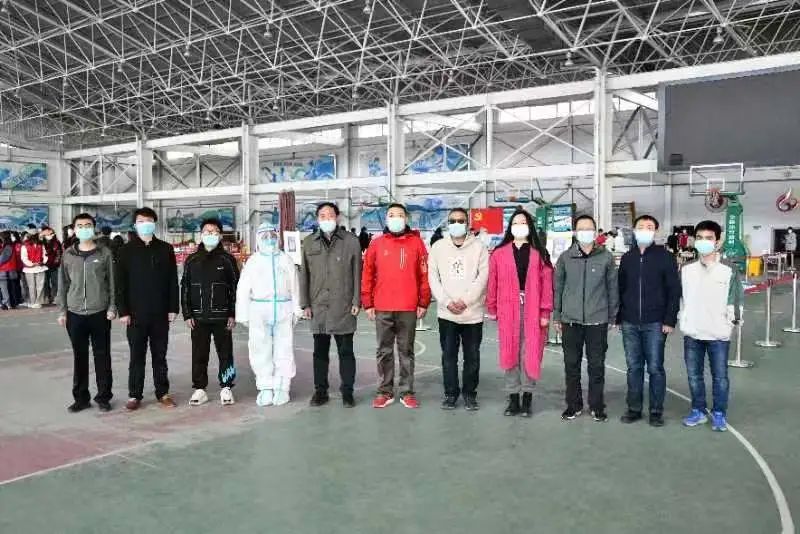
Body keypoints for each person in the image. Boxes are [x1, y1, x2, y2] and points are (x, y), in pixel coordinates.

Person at [361, 203, 431, 409]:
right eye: (391, 215)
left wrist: (423, 301)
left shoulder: (417, 243)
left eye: (400, 215)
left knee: (406, 351)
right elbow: (367, 273)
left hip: (408, 306)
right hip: (382, 306)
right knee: (384, 351)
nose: (396, 218)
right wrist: (368, 302)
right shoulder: (376, 243)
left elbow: (424, 274)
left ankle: (407, 391)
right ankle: (385, 391)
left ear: (406, 219)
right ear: (386, 219)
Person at [487, 209, 553, 418]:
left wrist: (545, 311)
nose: (519, 226)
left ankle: (527, 397)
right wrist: (492, 307)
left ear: (529, 226)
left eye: (523, 222)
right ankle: (513, 397)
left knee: (530, 352)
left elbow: (547, 285)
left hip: (533, 309)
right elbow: (492, 283)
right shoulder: (499, 253)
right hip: (508, 309)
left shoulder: (539, 253)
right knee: (510, 352)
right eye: (515, 223)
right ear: (510, 227)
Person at [553, 215, 618, 422]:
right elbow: (558, 289)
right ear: (575, 232)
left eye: (589, 228)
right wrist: (557, 316)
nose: (585, 232)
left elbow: (612, 288)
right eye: (581, 228)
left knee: (596, 366)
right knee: (571, 365)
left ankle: (597, 406)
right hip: (570, 321)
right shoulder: (565, 258)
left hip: (597, 320)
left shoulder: (606, 257)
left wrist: (612, 316)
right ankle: (573, 405)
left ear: (596, 232)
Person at [617, 215, 681, 427]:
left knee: (655, 367)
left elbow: (674, 290)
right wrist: (619, 317)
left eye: (649, 227)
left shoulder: (665, 257)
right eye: (641, 226)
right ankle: (634, 409)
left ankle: (655, 411)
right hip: (629, 322)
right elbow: (620, 288)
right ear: (634, 230)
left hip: (656, 322)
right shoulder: (627, 258)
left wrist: (669, 319)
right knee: (633, 367)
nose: (645, 230)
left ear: (656, 231)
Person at [679, 220, 743, 433]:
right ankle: (697, 410)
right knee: (694, 376)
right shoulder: (686, 269)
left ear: (717, 241)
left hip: (718, 334)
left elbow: (736, 299)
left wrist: (731, 323)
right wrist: (683, 320)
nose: (703, 242)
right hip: (693, 332)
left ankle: (719, 413)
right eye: (699, 238)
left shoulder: (729, 269)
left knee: (720, 377)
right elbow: (682, 299)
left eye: (708, 238)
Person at [116, 207, 179, 410]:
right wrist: (123, 311)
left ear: (155, 223)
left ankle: (163, 393)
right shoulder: (125, 251)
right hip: (135, 314)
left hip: (160, 312)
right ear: (135, 225)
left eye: (149, 220)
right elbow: (120, 284)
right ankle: (135, 395)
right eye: (141, 221)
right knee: (137, 356)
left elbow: (172, 280)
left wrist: (173, 308)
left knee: (160, 355)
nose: (145, 224)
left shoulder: (165, 249)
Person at [300, 202, 362, 408]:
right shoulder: (309, 243)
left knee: (346, 352)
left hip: (343, 306)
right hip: (318, 307)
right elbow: (304, 275)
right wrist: (305, 304)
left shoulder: (351, 241)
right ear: (317, 219)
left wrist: (356, 300)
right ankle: (320, 391)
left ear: (338, 217)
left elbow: (357, 273)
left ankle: (348, 392)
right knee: (320, 353)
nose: (327, 219)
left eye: (330, 215)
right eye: (322, 216)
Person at [428, 207, 488, 411]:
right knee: (448, 356)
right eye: (452, 221)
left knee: (472, 357)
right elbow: (433, 277)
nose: (456, 224)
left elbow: (483, 277)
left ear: (468, 224)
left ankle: (470, 394)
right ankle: (451, 394)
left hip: (472, 314)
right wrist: (446, 301)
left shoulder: (479, 248)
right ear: (448, 224)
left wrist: (466, 301)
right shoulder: (438, 248)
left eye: (461, 220)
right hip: (447, 314)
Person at [236, 222, 302, 407]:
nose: (269, 240)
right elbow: (243, 289)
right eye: (265, 237)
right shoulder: (253, 261)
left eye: (272, 236)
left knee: (284, 348)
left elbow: (295, 286)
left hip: (283, 308)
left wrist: (297, 309)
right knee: (259, 348)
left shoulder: (286, 260)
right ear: (258, 239)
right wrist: (243, 314)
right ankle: (265, 387)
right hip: (259, 310)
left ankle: (282, 387)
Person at [57, 214, 117, 412]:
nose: (84, 228)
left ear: (94, 228)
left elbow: (112, 282)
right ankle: (81, 398)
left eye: (88, 225)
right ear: (74, 230)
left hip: (99, 312)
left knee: (102, 356)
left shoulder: (104, 253)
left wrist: (112, 307)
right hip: (74, 314)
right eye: (80, 225)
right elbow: (63, 284)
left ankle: (103, 397)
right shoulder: (68, 254)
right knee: (79, 357)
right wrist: (62, 311)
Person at [181, 218, 240, 407]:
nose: (210, 234)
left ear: (220, 235)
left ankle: (227, 387)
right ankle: (200, 388)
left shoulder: (227, 260)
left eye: (214, 232)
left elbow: (235, 288)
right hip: (198, 317)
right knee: (199, 354)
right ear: (201, 235)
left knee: (226, 353)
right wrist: (187, 314)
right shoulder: (192, 260)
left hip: (222, 317)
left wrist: (232, 313)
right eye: (207, 231)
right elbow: (185, 288)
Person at [21, 226, 48, 308]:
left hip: (40, 267)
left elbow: (45, 255)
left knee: (40, 285)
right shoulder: (24, 245)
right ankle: (33, 302)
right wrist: (32, 264)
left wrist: (43, 262)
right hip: (29, 269)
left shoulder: (41, 244)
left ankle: (38, 302)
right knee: (31, 286)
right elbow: (24, 257)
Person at [41, 227, 62, 305]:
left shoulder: (56, 242)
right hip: (44, 266)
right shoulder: (41, 242)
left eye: (50, 233)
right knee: (45, 283)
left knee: (54, 282)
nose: (49, 235)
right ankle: (47, 297)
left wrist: (56, 262)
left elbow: (59, 254)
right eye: (47, 233)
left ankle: (54, 297)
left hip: (54, 266)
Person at [0, 232, 18, 310]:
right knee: (6, 288)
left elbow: (3, 258)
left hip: (6, 270)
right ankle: (8, 303)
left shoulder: (7, 247)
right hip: (6, 270)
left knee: (5, 288)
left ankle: (7, 303)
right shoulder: (7, 246)